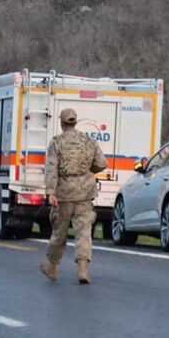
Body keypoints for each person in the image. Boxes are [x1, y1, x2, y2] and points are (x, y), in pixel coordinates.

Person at [40, 107, 109, 285]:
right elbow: (102, 163)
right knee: (83, 232)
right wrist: (87, 172)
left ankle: (52, 267)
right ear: (75, 122)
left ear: (62, 124)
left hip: (63, 194)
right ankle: (83, 270)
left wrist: (50, 192)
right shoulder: (88, 141)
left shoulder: (56, 143)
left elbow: (51, 169)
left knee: (59, 232)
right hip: (85, 194)